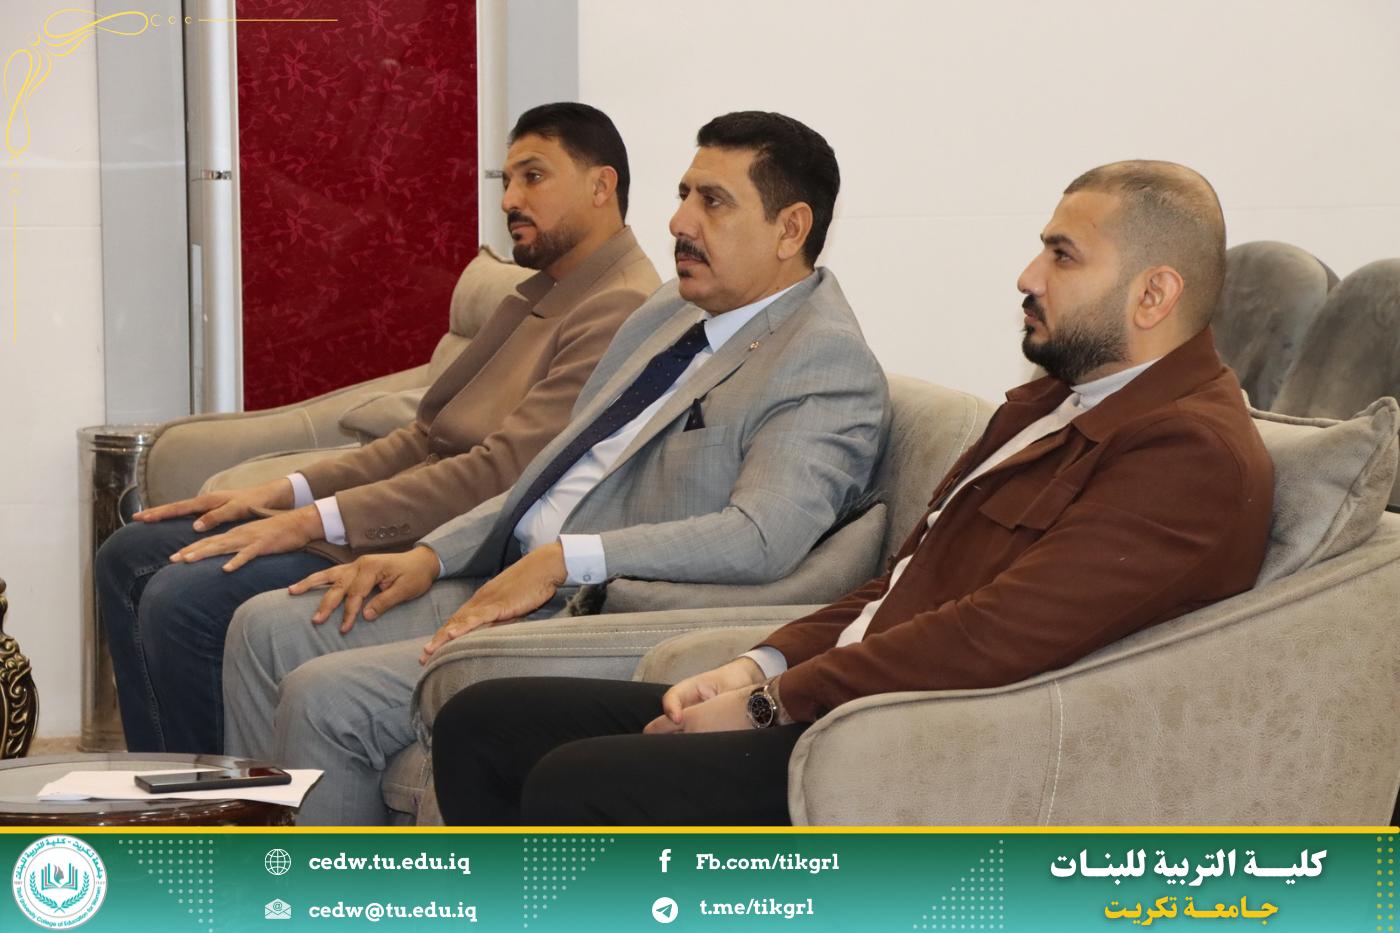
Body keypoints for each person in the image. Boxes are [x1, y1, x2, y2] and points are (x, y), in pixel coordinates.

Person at [429, 160, 1276, 826]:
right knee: (487, 721)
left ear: (1154, 293)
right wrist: (757, 663)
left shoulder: (1189, 452)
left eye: (1063, 255)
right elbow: (900, 584)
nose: (1028, 274)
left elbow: (993, 635)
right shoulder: (1054, 401)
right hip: (837, 700)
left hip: (906, 744)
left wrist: (770, 705)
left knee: (578, 780)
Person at [222, 110, 891, 825]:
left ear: (791, 229)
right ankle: (258, 865)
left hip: (605, 611)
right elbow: (557, 468)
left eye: (713, 201)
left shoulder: (824, 359)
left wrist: (569, 558)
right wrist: (430, 553)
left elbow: (762, 534)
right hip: (515, 570)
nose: (678, 222)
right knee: (264, 629)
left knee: (326, 697)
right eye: (683, 194)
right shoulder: (669, 312)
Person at [95, 102, 661, 753]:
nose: (510, 200)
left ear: (601, 185)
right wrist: (282, 492)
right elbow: (423, 436)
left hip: (437, 539)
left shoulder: (617, 304)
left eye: (533, 177)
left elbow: (503, 473)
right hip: (394, 514)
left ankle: (214, 802)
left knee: (181, 599)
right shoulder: (543, 290)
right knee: (126, 555)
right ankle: (170, 789)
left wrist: (312, 521)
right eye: (506, 181)